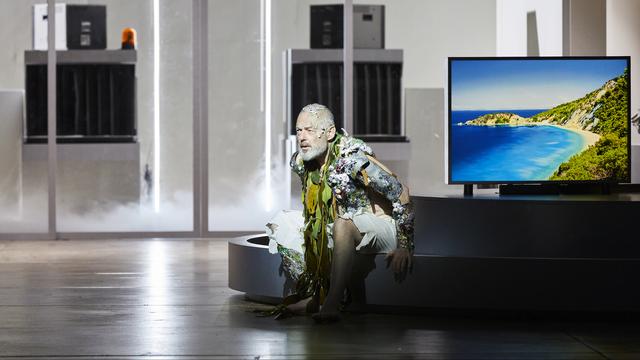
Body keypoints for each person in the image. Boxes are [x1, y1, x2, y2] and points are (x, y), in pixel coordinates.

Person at [266, 103, 414, 323]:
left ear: (330, 132)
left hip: (380, 225)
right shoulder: (302, 162)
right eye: (299, 130)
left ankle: (332, 302)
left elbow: (401, 193)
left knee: (342, 223)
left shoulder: (352, 157)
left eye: (310, 130)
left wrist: (404, 245)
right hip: (341, 225)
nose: (302, 137)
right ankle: (313, 296)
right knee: (283, 221)